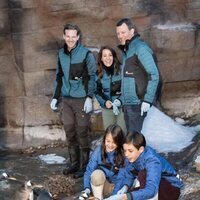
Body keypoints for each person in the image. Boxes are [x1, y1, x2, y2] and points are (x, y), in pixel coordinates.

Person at [50, 23, 96, 179]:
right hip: (67, 100)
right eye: (67, 36)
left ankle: (84, 167)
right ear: (64, 36)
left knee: (82, 132)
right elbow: (58, 76)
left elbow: (92, 76)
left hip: (82, 99)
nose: (70, 39)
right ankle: (74, 164)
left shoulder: (86, 54)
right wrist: (56, 97)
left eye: (73, 36)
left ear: (78, 37)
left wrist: (89, 97)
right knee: (70, 131)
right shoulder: (61, 54)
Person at [105, 132, 183, 200]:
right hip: (155, 186)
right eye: (125, 150)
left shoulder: (152, 161)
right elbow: (129, 175)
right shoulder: (131, 157)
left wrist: (127, 197)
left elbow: (151, 190)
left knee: (142, 175)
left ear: (141, 149)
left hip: (171, 188)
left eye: (130, 151)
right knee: (128, 194)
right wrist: (125, 187)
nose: (126, 154)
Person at [116, 18, 160, 132]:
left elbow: (154, 75)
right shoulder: (128, 51)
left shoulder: (140, 48)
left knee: (134, 142)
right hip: (128, 105)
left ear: (132, 31)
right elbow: (130, 80)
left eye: (123, 32)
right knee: (131, 140)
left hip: (138, 104)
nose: (120, 36)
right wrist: (121, 100)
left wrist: (147, 100)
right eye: (118, 33)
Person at [78, 124, 124, 200]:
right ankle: (98, 198)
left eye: (114, 142)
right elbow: (89, 171)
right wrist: (87, 189)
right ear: (104, 139)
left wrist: (114, 196)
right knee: (96, 175)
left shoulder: (123, 153)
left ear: (119, 142)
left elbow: (123, 177)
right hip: (101, 187)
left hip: (118, 189)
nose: (110, 145)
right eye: (108, 141)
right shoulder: (99, 151)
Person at [95, 46, 126, 133]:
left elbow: (128, 88)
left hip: (122, 108)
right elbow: (96, 91)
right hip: (107, 108)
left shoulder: (122, 70)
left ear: (114, 57)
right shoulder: (98, 74)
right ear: (101, 58)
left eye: (110, 55)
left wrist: (119, 101)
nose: (107, 58)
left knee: (121, 133)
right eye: (104, 56)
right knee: (109, 134)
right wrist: (104, 102)